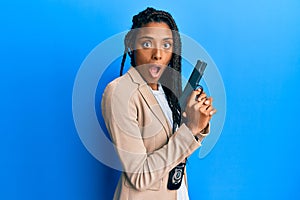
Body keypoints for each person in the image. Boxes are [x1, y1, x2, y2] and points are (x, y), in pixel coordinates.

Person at [101, 7, 216, 200]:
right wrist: (189, 130)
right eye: (147, 43)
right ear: (131, 45)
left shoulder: (167, 92)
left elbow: (178, 151)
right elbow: (139, 175)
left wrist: (196, 122)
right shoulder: (120, 92)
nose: (158, 54)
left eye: (166, 45)